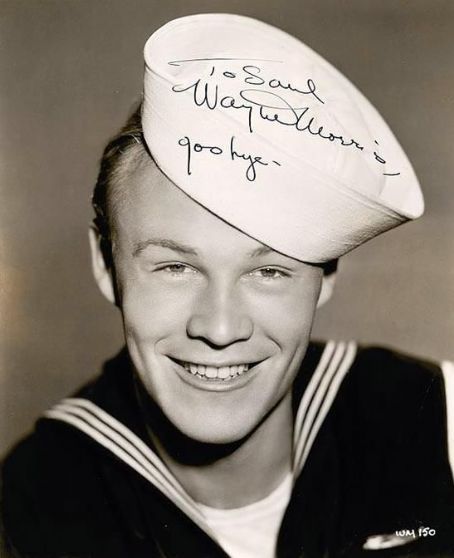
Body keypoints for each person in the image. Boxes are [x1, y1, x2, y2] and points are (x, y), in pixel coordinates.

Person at [2, 13, 454, 558]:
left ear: (326, 276)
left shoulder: (440, 423)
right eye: (175, 267)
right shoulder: (25, 515)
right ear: (106, 265)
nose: (220, 328)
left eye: (269, 271)